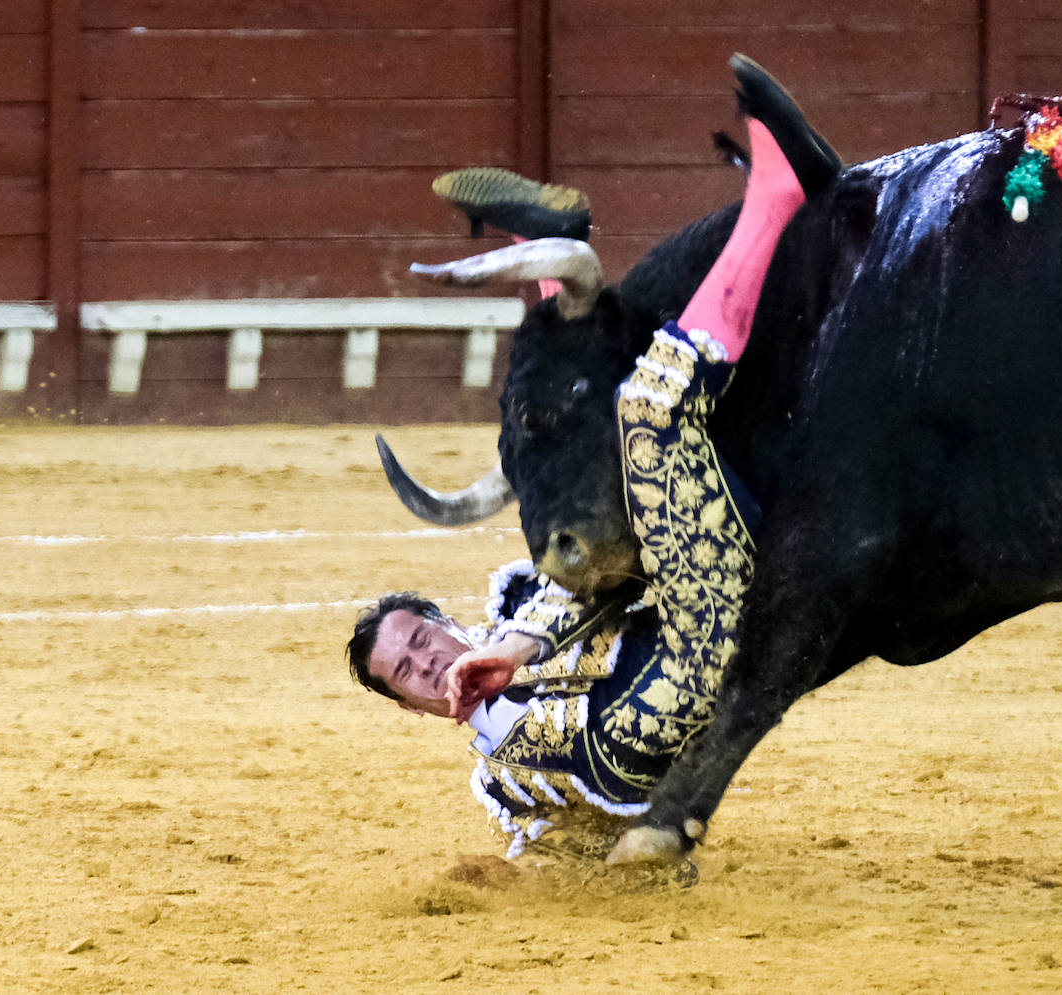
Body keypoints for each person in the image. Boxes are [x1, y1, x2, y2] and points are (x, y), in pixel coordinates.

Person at [349, 54, 830, 858]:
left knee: (623, 406)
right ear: (408, 707)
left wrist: (509, 649)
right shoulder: (502, 779)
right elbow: (562, 853)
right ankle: (571, 247)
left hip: (706, 601)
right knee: (643, 412)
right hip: (723, 639)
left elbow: (585, 582)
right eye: (407, 668)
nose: (426, 661)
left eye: (421, 640)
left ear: (448, 621)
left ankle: (743, 211)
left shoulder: (517, 616)